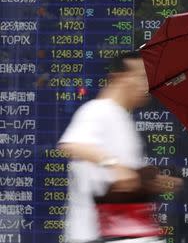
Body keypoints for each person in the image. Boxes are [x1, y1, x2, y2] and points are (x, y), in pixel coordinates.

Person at [58, 51, 181, 243]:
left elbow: (123, 181)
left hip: (126, 231)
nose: (146, 86)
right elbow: (73, 145)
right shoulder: (97, 110)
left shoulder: (121, 117)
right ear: (119, 78)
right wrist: (114, 165)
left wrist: (151, 181)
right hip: (98, 234)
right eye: (140, 77)